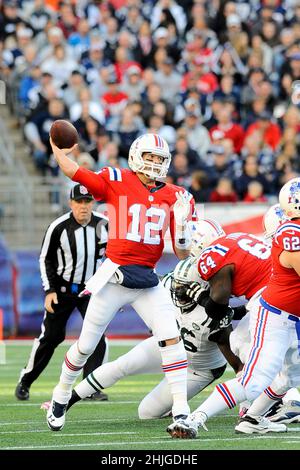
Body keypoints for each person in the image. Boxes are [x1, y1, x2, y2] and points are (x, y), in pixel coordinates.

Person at [46, 133, 195, 432]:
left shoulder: (178, 196)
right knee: (86, 346)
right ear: (137, 156)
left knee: (170, 337)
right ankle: (60, 394)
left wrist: (180, 225)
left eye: (160, 159)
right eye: (150, 157)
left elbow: (182, 252)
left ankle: (181, 411)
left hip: (147, 280)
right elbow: (76, 172)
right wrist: (58, 151)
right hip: (115, 276)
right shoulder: (117, 179)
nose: (155, 163)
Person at [167, 186, 300, 438]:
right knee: (253, 378)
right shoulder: (290, 232)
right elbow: (219, 300)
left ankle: (253, 418)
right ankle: (194, 419)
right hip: (276, 314)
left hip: (284, 311)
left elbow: (221, 304)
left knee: (288, 377)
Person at [15, 184, 109, 402]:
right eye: (79, 202)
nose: (83, 207)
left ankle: (90, 387)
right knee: (51, 337)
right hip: (63, 289)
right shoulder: (58, 226)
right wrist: (49, 291)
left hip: (91, 290)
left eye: (87, 202)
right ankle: (25, 381)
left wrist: (112, 290)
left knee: (97, 337)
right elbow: (44, 259)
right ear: (71, 203)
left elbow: (112, 259)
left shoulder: (103, 225)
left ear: (92, 203)